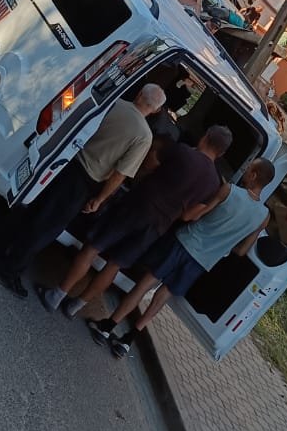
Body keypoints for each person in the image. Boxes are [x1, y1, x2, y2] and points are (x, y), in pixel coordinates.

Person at [0, 84, 165, 296]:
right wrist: (100, 199)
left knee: (30, 207)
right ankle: (8, 268)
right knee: (46, 227)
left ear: (140, 93)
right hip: (84, 181)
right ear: (156, 110)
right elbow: (120, 173)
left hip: (65, 160)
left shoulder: (113, 102)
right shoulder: (144, 136)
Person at [37, 124, 232, 317]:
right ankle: (75, 306)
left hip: (137, 205)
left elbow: (149, 164)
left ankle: (56, 295)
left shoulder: (182, 151)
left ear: (205, 136)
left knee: (93, 247)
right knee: (115, 264)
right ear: (222, 153)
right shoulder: (213, 184)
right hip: (158, 225)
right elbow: (188, 216)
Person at [91, 158, 276, 359]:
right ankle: (127, 341)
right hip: (203, 261)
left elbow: (200, 213)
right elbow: (241, 251)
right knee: (164, 294)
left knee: (145, 284)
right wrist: (223, 243)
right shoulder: (264, 216)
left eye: (248, 169)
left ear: (254, 175)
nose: (246, 171)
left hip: (185, 241)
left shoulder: (229, 190)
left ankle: (107, 326)